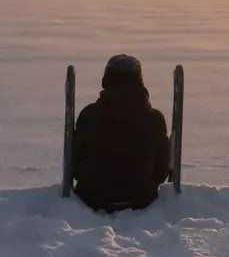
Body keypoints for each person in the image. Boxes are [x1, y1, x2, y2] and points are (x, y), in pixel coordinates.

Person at [72, 54, 172, 212]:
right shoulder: (154, 119)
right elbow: (162, 170)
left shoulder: (89, 114)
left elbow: (73, 163)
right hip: (142, 199)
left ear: (106, 80)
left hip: (93, 197)